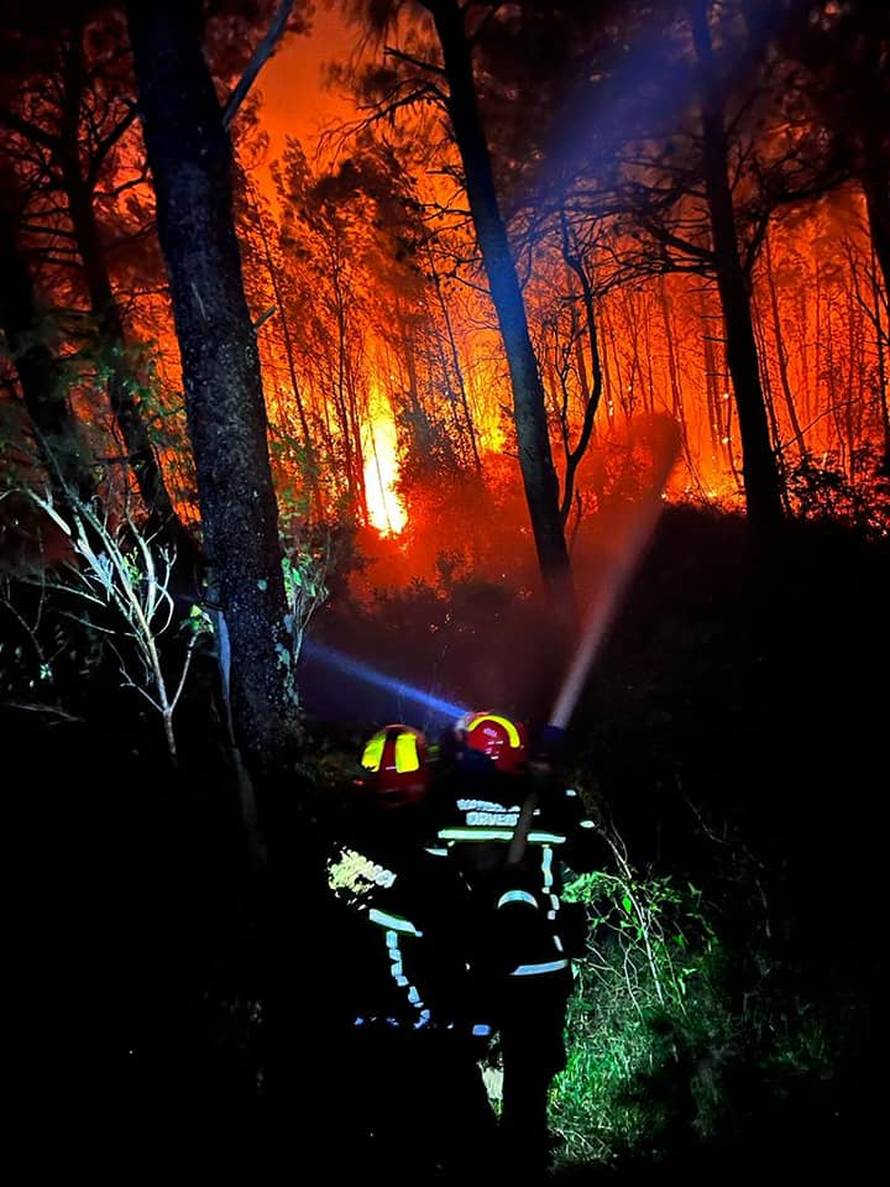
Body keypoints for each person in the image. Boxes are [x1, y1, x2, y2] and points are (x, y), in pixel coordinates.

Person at [435, 711, 606, 1175]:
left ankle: (472, 1157)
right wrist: (563, 794)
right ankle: (522, 1159)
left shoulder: (443, 797)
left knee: (453, 1070)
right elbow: (593, 857)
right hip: (541, 969)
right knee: (529, 1085)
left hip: (470, 967)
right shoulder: (546, 800)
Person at [324, 723, 496, 1180]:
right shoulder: (426, 860)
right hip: (426, 1033)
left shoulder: (337, 839)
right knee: (468, 1146)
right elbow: (457, 934)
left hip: (358, 1032)